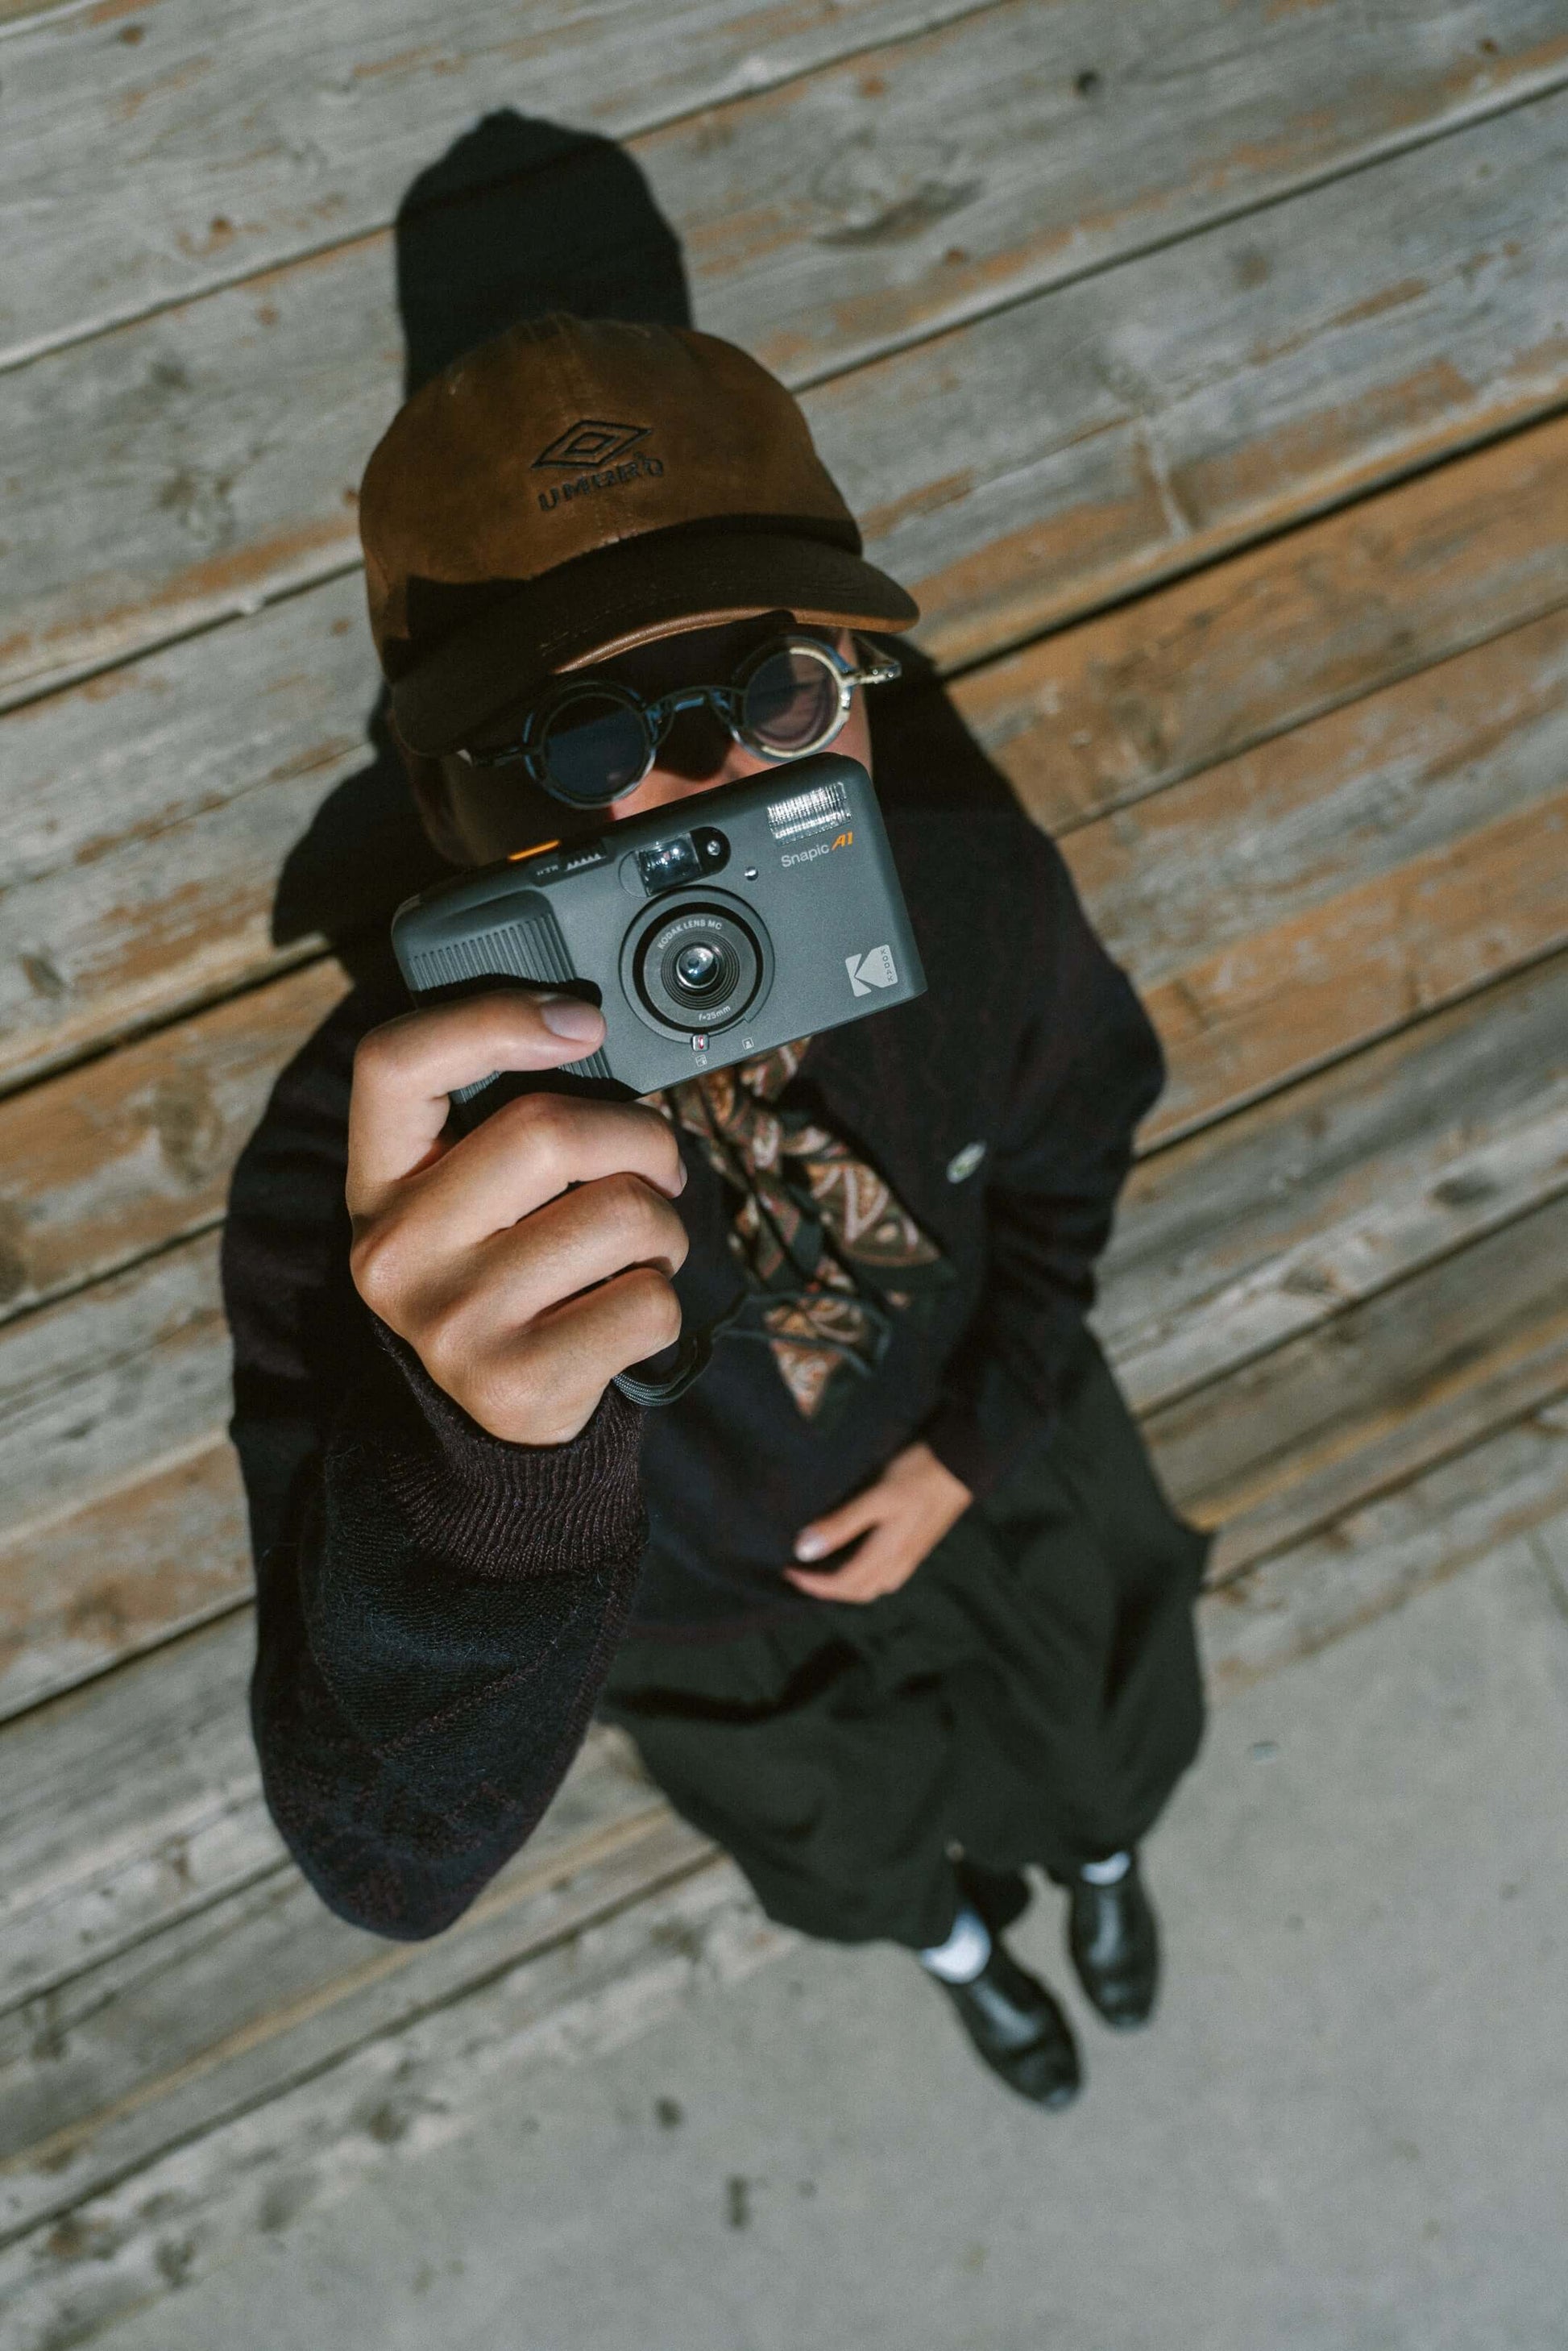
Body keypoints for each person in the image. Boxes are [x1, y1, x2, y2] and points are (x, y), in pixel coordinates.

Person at [224, 314, 1209, 2109]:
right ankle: (957, 1946)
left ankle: (1104, 1865)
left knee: (1110, 1726)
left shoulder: (965, 892)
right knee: (848, 1844)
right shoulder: (364, 1177)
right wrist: (486, 1470)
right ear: (455, 792)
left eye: (771, 693)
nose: (709, 801)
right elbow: (386, 1853)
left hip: (988, 1455)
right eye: (583, 744)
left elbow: (1083, 1134)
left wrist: (976, 1441)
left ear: (850, 672)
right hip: (701, 1612)